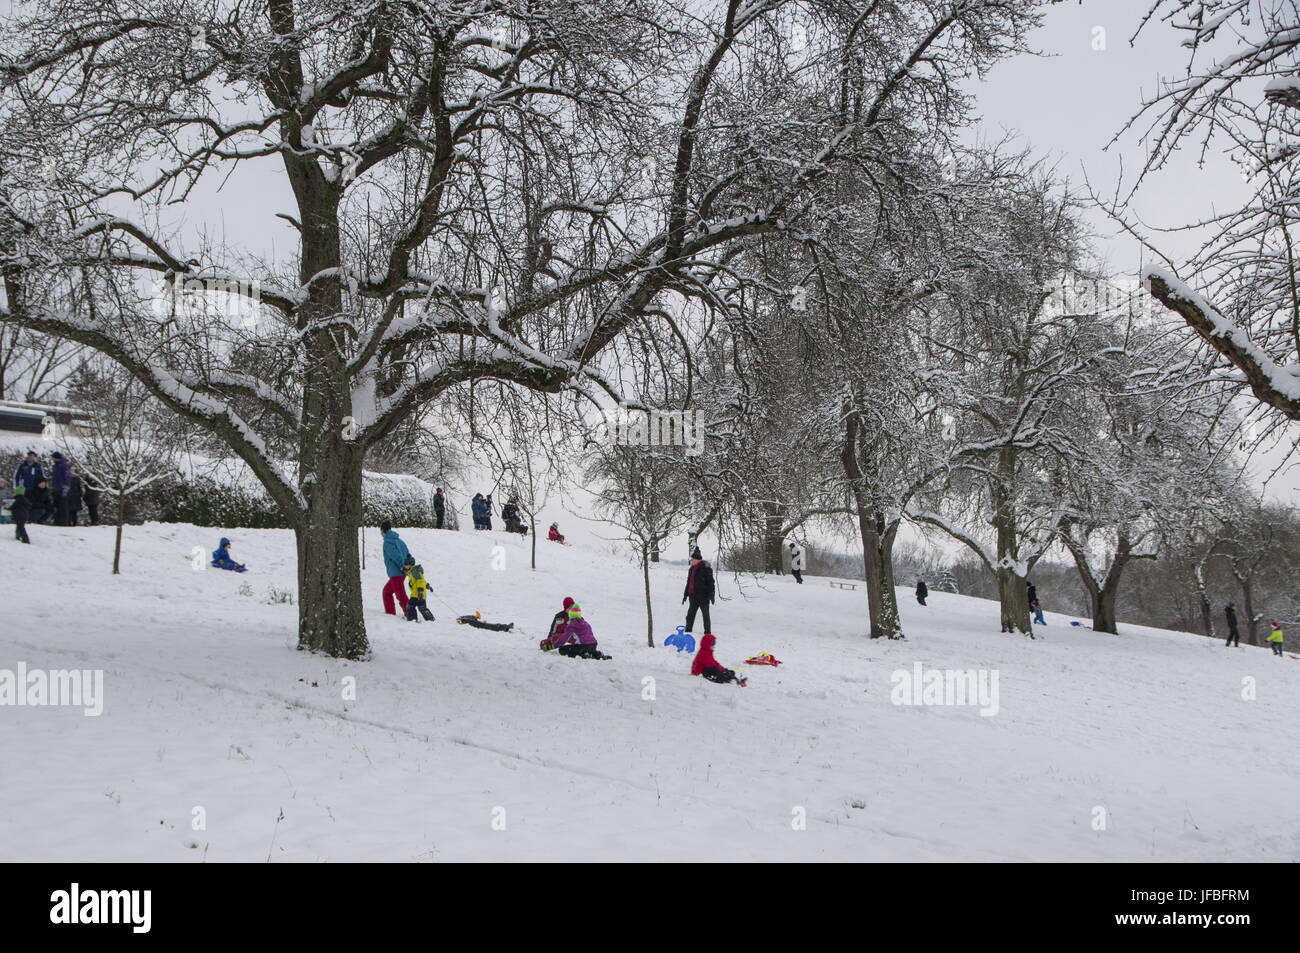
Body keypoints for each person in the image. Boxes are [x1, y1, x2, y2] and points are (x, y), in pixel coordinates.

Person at [546, 602, 611, 659]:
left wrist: (551, 646)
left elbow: (563, 639)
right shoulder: (585, 623)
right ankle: (598, 654)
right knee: (590, 650)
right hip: (594, 644)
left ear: (571, 615)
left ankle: (583, 654)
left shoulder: (572, 625)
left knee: (562, 650)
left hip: (583, 646)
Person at [380, 520, 411, 616]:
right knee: (387, 592)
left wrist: (403, 566)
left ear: (382, 531)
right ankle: (390, 614)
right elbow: (408, 554)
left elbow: (395, 556)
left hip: (396, 573)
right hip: (401, 573)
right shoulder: (399, 541)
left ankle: (410, 614)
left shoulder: (387, 542)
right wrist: (409, 565)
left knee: (401, 596)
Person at [682, 546, 716, 635]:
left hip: (703, 597)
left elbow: (711, 583)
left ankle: (707, 633)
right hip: (693, 596)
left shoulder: (706, 569)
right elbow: (689, 582)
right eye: (691, 559)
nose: (691, 560)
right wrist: (685, 595)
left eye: (692, 559)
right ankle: (688, 631)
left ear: (697, 560)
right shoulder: (691, 569)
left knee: (705, 616)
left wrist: (711, 595)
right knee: (690, 615)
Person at [402, 555, 435, 622]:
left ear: (410, 565)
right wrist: (427, 586)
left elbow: (420, 581)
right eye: (404, 565)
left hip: (417, 593)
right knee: (422, 608)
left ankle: (412, 619)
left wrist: (420, 591)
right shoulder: (413, 571)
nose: (405, 566)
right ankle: (430, 619)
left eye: (406, 565)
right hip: (421, 594)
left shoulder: (414, 571)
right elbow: (422, 580)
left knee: (410, 605)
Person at [50, 451, 71, 525]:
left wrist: (66, 487)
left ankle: (63, 522)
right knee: (56, 506)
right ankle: (57, 521)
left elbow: (67, 476)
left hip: (61, 489)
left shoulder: (64, 465)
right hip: (56, 488)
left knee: (63, 507)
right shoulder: (55, 466)